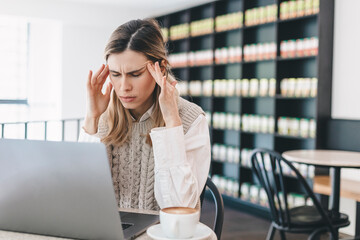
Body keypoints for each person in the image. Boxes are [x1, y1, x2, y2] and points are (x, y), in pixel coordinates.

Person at [79, 19, 211, 211]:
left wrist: (172, 121)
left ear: (161, 69)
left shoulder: (192, 119)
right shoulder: (103, 116)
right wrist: (93, 118)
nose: (124, 87)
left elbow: (181, 207)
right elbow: (83, 196)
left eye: (135, 74)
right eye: (115, 74)